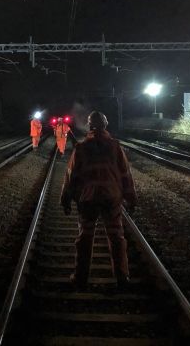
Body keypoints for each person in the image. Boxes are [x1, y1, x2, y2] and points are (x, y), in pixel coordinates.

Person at [59, 110, 137, 289]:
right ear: (106, 125)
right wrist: (131, 198)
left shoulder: (81, 148)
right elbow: (126, 175)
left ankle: (80, 277)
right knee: (116, 236)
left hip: (88, 199)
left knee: (85, 237)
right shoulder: (115, 147)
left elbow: (71, 176)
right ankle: (122, 277)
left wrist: (66, 200)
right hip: (111, 198)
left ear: (89, 126)